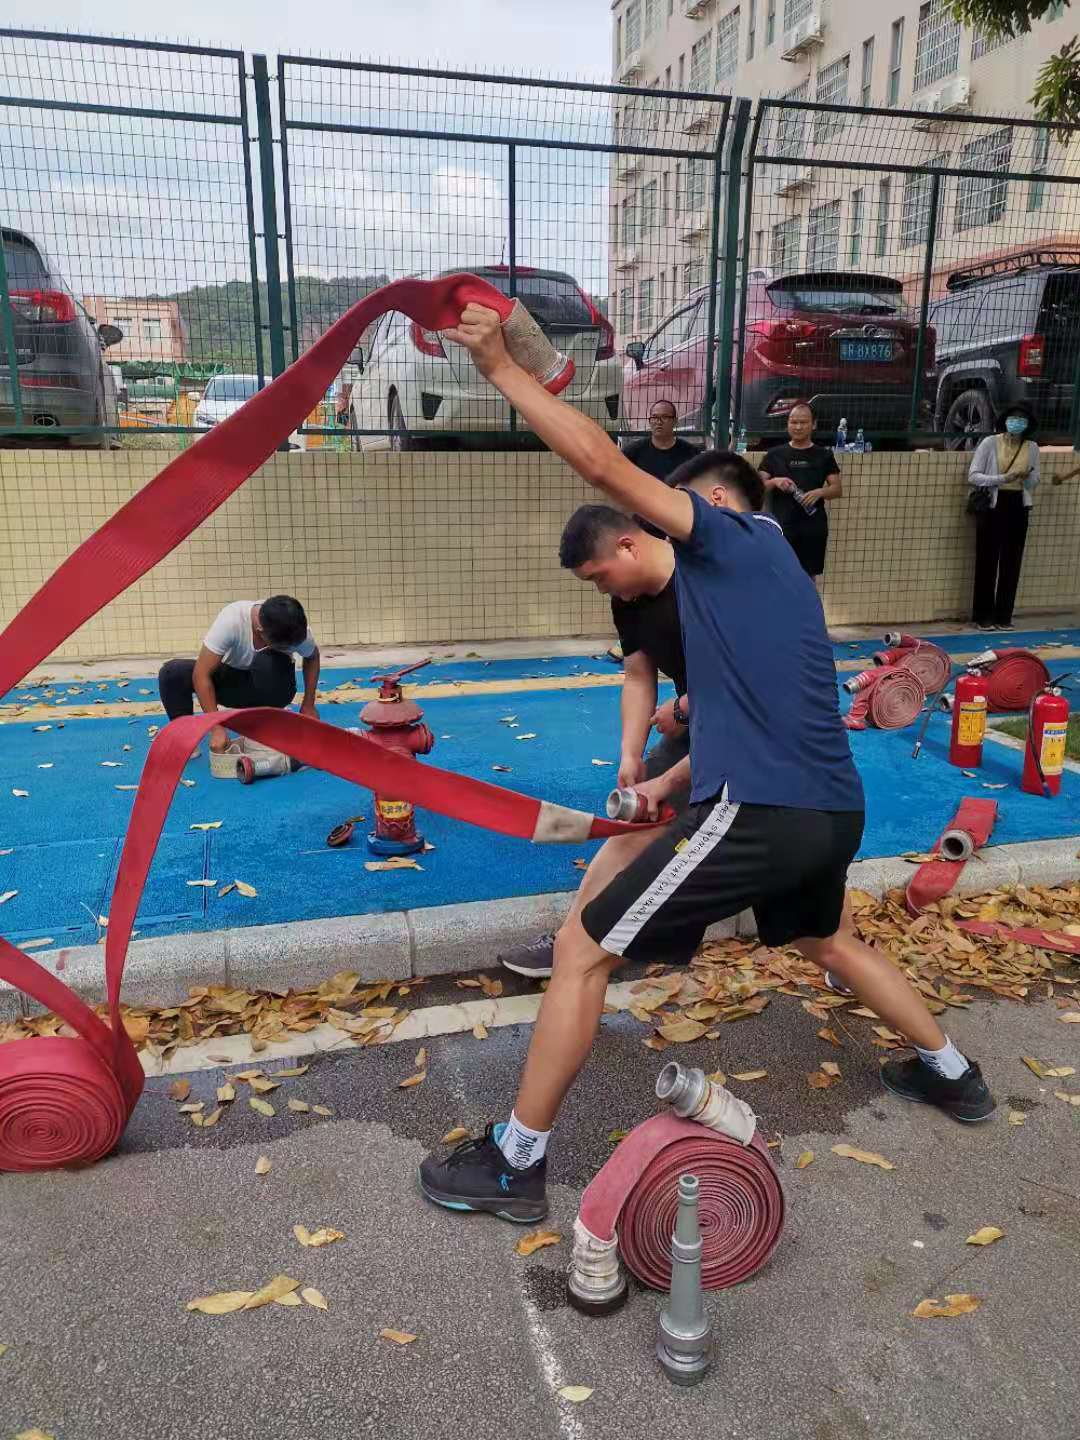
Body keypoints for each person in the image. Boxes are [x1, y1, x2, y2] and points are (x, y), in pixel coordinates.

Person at [416, 304, 995, 1225]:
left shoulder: (736, 537)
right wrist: (657, 780)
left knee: (580, 951)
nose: (667, 530)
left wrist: (500, 368)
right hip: (829, 811)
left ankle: (515, 1163)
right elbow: (726, 718)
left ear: (714, 507)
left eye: (676, 512)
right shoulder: (769, 600)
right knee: (830, 941)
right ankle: (955, 1073)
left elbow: (602, 466)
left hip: (764, 814)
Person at [498, 504, 694, 980]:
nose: (603, 590)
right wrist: (630, 752)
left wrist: (686, 708)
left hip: (752, 727)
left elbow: (749, 677)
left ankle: (843, 946)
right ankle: (574, 939)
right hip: (699, 727)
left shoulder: (704, 579)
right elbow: (638, 675)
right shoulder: (629, 600)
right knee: (637, 819)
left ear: (628, 546)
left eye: (599, 577)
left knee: (800, 850)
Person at [158, 596, 320, 753]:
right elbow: (201, 674)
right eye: (281, 646)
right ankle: (185, 739)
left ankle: (265, 722)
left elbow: (312, 657)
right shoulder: (231, 621)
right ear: (260, 631)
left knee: (266, 662)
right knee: (173, 672)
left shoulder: (296, 630)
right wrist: (216, 727)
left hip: (273, 689)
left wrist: (308, 704)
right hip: (234, 683)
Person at [967, 401, 1040, 631]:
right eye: (1013, 418)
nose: (1017, 423)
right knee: (987, 561)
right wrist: (1003, 478)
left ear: (1028, 425)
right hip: (993, 506)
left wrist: (1027, 478)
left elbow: (1035, 479)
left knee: (1012, 562)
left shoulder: (1032, 447)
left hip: (1018, 505)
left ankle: (1004, 616)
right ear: (1005, 421)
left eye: (1022, 419)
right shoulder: (990, 443)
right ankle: (982, 616)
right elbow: (974, 476)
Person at [758, 403, 842, 584]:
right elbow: (756, 486)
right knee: (778, 575)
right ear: (787, 423)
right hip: (781, 526)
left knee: (807, 578)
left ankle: (806, 603)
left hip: (812, 527)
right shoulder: (774, 455)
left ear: (814, 424)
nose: (797, 427)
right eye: (793, 422)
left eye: (803, 422)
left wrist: (820, 492)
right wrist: (774, 482)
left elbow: (837, 489)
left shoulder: (824, 455)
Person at [622, 400, 702, 537]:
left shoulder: (690, 453)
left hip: (679, 521)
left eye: (664, 417)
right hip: (644, 522)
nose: (658, 422)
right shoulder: (634, 452)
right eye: (654, 417)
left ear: (675, 421)